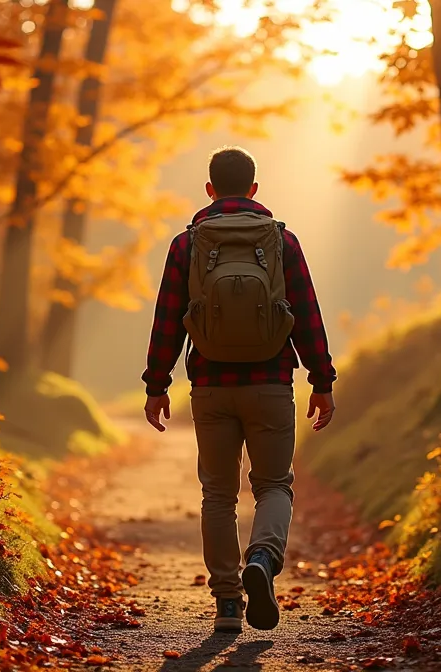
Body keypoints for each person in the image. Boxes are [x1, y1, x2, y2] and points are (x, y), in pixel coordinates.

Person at [141, 146, 337, 633]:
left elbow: (168, 320)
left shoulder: (186, 245)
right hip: (271, 382)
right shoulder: (281, 241)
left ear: (209, 190)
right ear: (254, 190)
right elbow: (306, 314)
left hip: (210, 385)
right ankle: (263, 561)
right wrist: (322, 380)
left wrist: (157, 384)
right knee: (273, 484)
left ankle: (228, 602)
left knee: (218, 494)